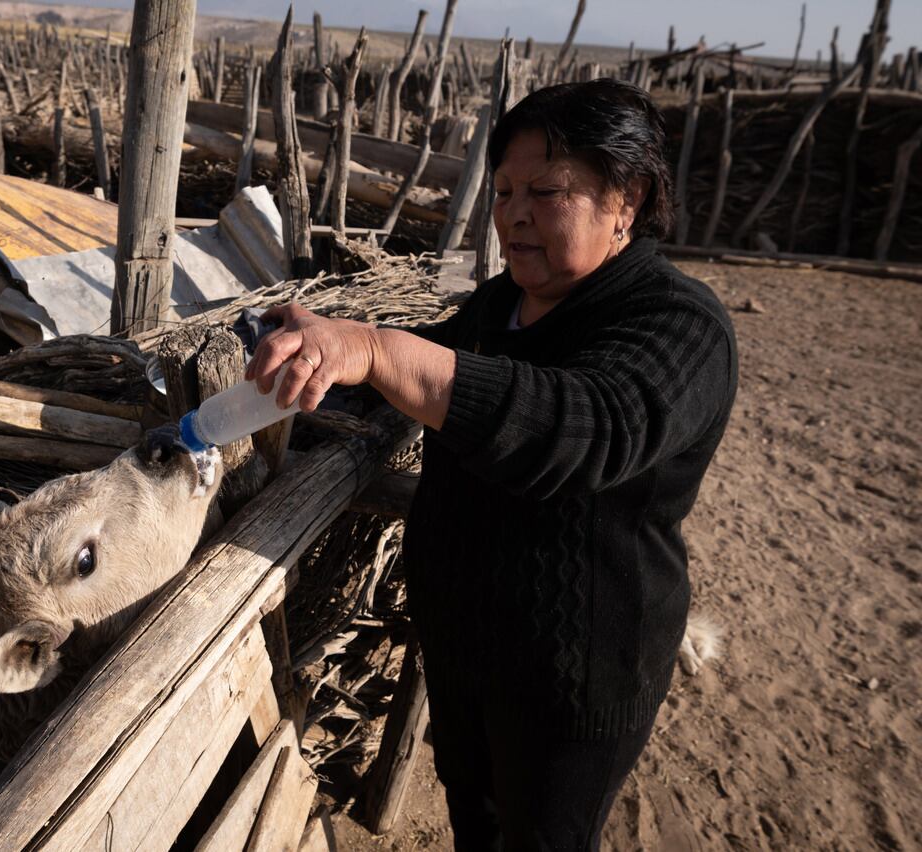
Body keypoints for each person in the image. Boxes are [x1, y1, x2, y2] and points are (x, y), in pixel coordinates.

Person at [245, 79, 738, 850]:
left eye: (547, 191)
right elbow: (424, 370)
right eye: (504, 190)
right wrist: (338, 341)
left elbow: (583, 428)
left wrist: (376, 350)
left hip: (572, 679)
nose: (512, 213)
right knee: (475, 817)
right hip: (465, 650)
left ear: (628, 200)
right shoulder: (500, 304)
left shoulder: (678, 325)